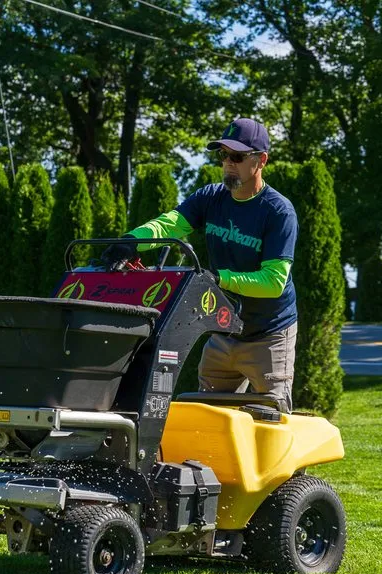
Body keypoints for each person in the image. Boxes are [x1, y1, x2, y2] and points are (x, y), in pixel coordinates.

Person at [101, 118, 298, 413]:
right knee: (207, 416)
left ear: (261, 160)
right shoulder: (210, 198)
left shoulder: (278, 211)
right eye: (223, 155)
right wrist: (131, 241)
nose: (228, 164)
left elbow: (273, 282)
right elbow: (170, 225)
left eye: (238, 157)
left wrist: (218, 279)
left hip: (269, 334)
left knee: (271, 418)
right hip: (224, 330)